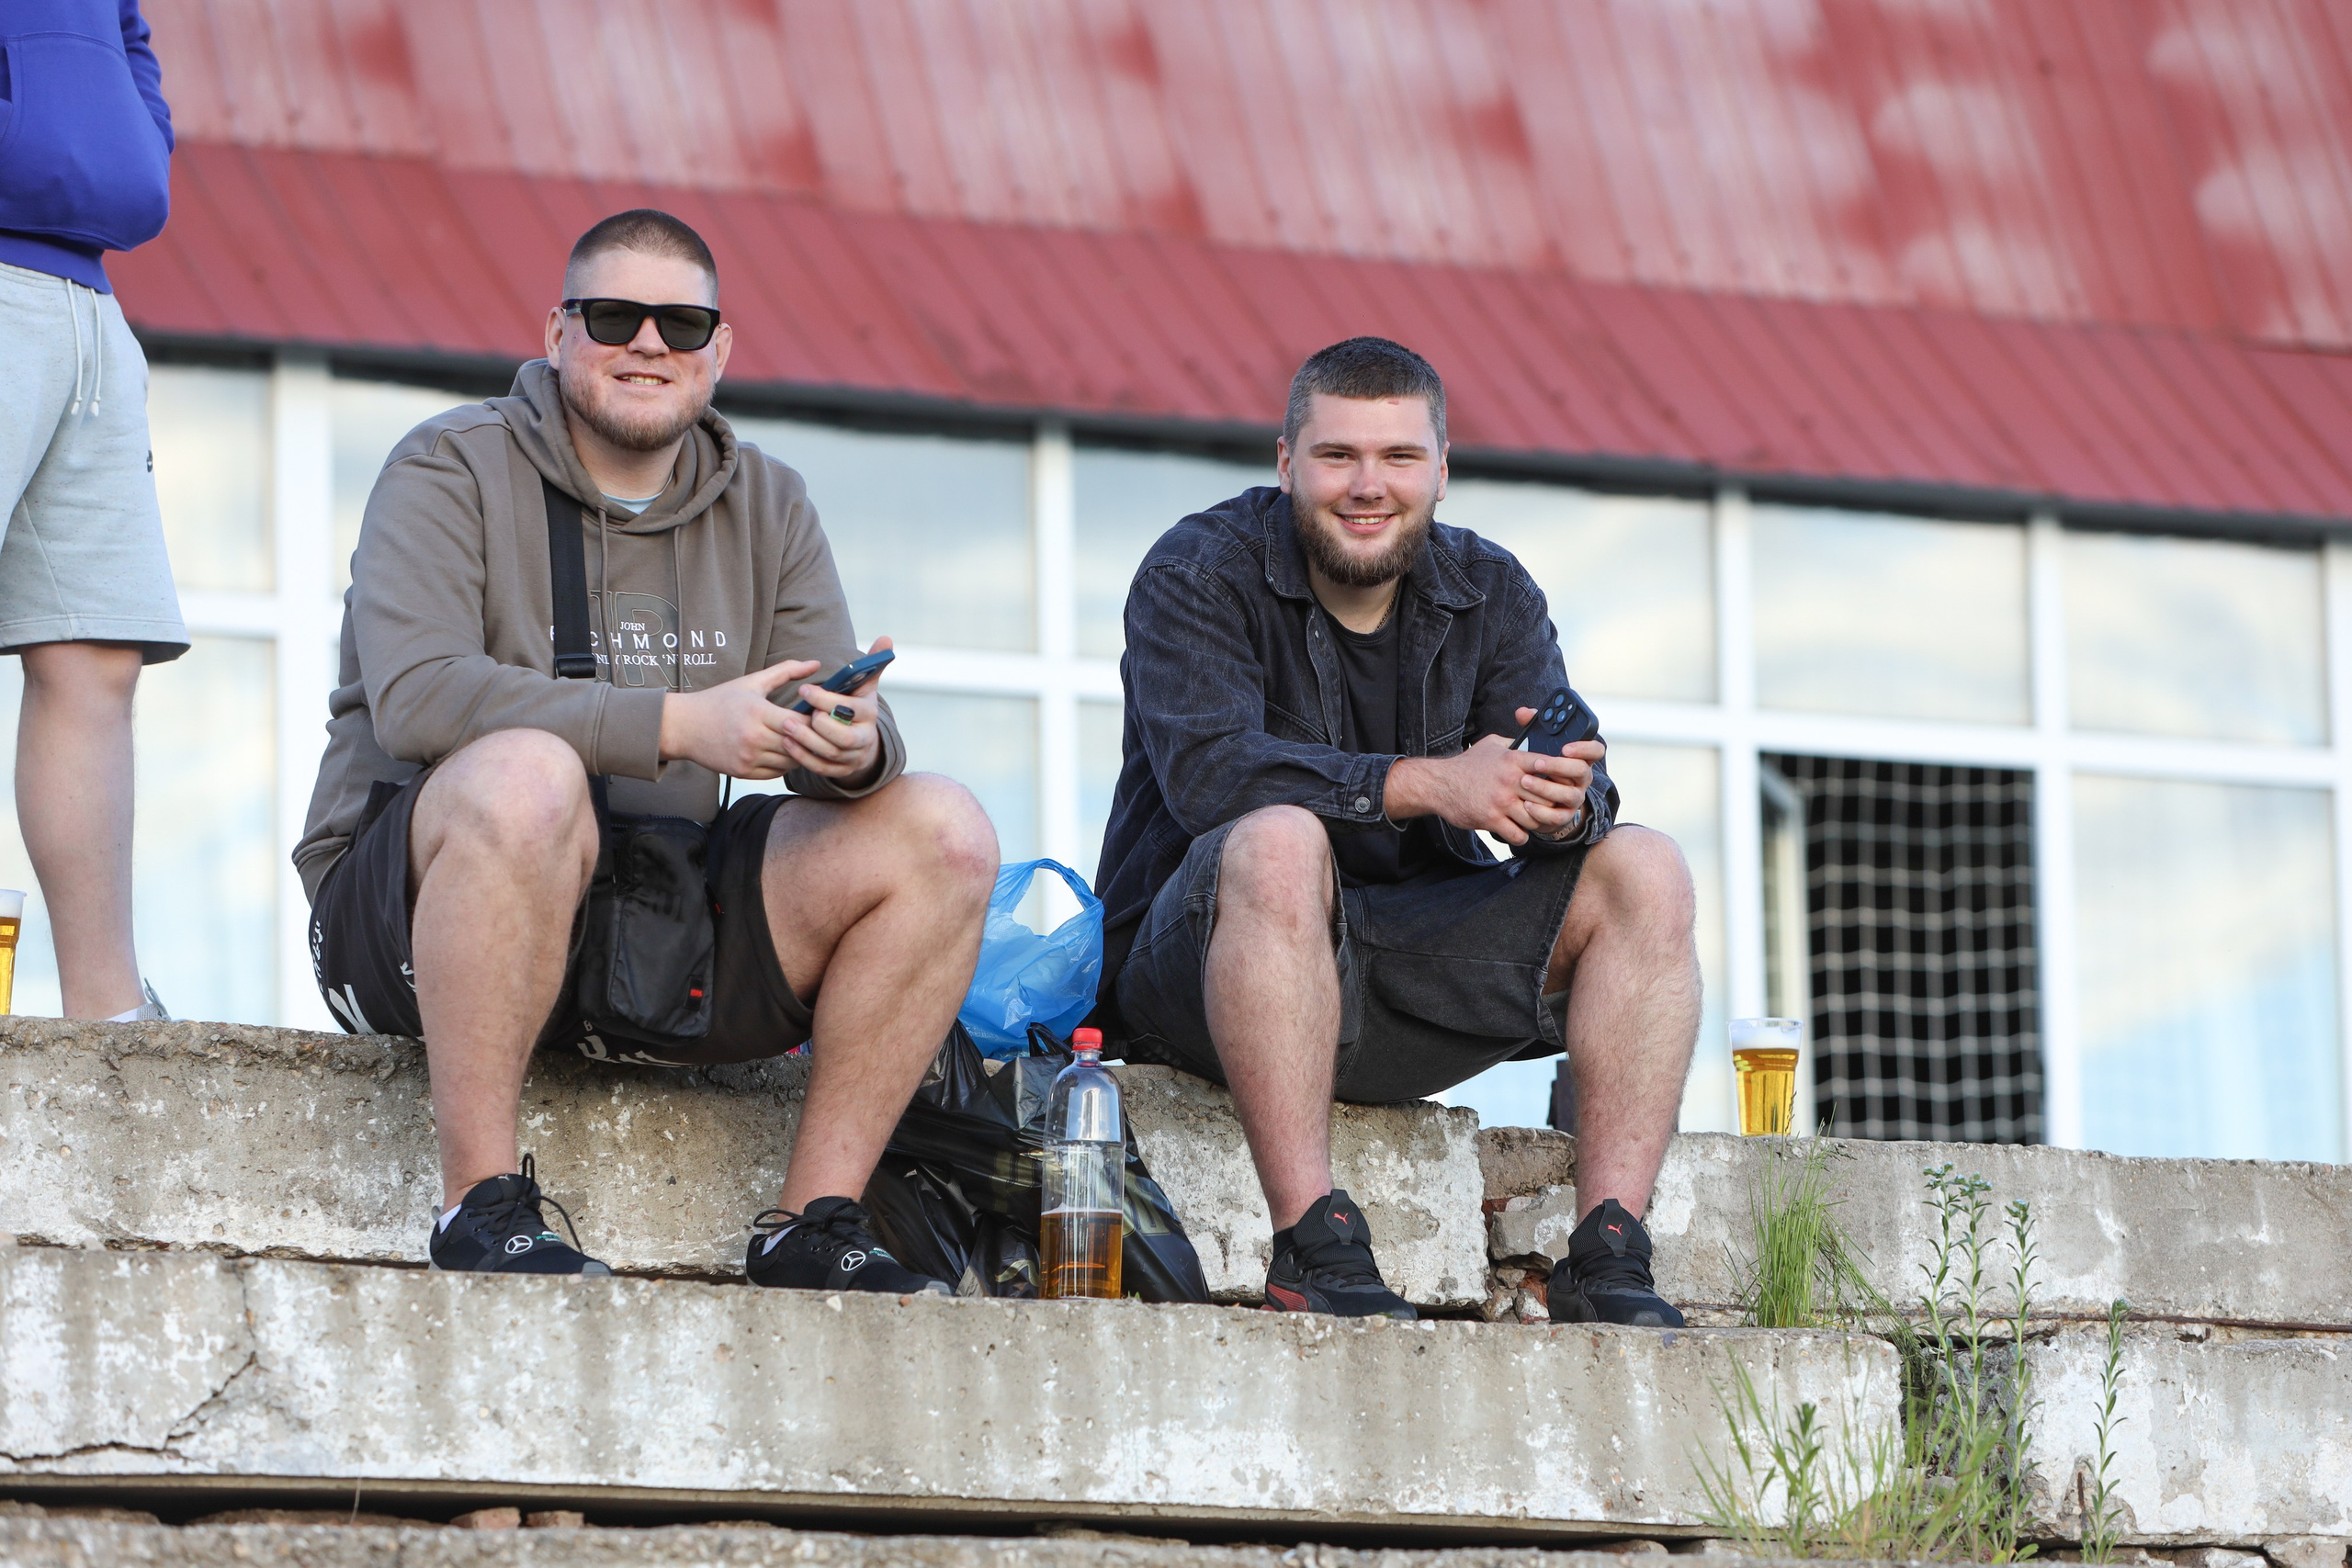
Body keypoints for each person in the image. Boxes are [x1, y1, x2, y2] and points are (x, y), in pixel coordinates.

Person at [297, 209, 997, 1291]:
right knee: (525, 775)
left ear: (721, 350)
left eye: (681, 323)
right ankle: (478, 1209)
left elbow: (829, 710)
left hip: (660, 915)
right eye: (615, 315)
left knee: (943, 830)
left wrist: (849, 747)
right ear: (558, 331)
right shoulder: (447, 464)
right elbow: (418, 698)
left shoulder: (768, 497)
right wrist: (679, 724)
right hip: (413, 909)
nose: (649, 344)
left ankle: (813, 1223)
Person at [1095, 337, 1702, 1325]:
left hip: (1404, 974)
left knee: (1644, 866)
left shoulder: (1490, 589)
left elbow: (1579, 791)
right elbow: (1213, 780)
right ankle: (1313, 1244)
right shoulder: (1196, 569)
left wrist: (1554, 804)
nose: (1367, 486)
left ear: (1442, 470)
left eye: (1398, 458)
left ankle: (1609, 1255)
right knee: (1280, 838)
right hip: (1204, 977)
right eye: (1337, 456)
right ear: (1286, 463)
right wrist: (1432, 785)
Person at [0, 0, 188, 1022]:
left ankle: (106, 1010)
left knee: (94, 649)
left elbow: (126, 40)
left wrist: (131, 147)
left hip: (85, 291)